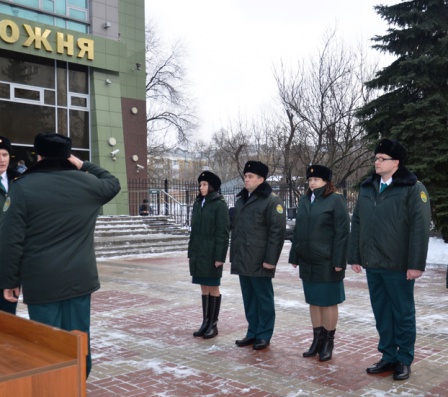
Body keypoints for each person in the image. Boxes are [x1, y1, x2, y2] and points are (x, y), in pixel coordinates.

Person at [0, 132, 121, 377]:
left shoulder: (22, 187)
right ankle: (77, 384)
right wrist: (83, 164)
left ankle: (54, 386)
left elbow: (11, 240)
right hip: (80, 279)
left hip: (42, 281)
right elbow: (113, 182)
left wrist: (10, 281)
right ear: (68, 156)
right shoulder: (88, 184)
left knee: (47, 345)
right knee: (78, 337)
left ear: (38, 155)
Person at [349, 138, 431, 381]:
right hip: (373, 263)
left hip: (398, 265)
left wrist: (415, 264)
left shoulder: (413, 188)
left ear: (396, 162)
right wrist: (355, 256)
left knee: (402, 313)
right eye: (375, 158)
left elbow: (420, 228)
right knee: (382, 312)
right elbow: (358, 223)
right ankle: (388, 355)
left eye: (381, 159)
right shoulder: (367, 188)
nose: (377, 162)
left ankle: (404, 359)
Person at [289, 165, 350, 362]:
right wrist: (294, 255)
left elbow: (342, 233)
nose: (312, 182)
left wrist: (339, 260)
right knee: (313, 301)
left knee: (328, 301)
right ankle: (317, 341)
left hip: (328, 260)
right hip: (308, 260)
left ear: (326, 181)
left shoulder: (336, 200)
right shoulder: (305, 200)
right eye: (310, 179)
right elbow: (299, 229)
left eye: (316, 179)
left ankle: (328, 343)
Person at [230, 160, 286, 350]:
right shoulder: (241, 200)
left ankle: (264, 333)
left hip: (260, 260)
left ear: (261, 179)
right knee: (249, 298)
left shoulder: (271, 201)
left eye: (250, 176)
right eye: (245, 176)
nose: (246, 179)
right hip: (243, 258)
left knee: (263, 298)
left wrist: (271, 260)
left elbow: (277, 233)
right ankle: (252, 332)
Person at [188, 171, 230, 339]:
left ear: (212, 186)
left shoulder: (219, 204)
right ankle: (205, 322)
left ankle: (213, 324)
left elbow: (223, 232)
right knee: (203, 286)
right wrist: (191, 252)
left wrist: (220, 257)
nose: (201, 187)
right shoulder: (199, 203)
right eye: (200, 185)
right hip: (199, 253)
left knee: (213, 287)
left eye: (204, 184)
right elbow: (194, 231)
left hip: (212, 253)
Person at [0, 136, 20, 315]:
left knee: (8, 318)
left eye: (5, 154)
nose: (1, 159)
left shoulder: (20, 181)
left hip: (11, 264)